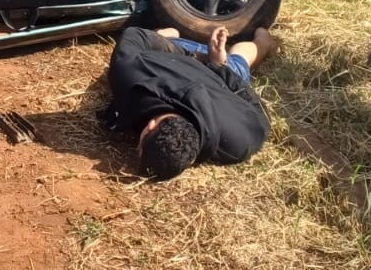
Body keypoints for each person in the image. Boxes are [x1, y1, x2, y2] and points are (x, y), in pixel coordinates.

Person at [98, 24, 277, 180]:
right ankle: (261, 40)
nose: (136, 144)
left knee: (240, 59)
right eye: (139, 146)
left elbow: (260, 112)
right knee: (239, 59)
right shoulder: (128, 74)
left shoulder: (240, 143)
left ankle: (262, 39)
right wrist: (220, 66)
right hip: (185, 55)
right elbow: (134, 35)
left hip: (194, 63)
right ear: (150, 126)